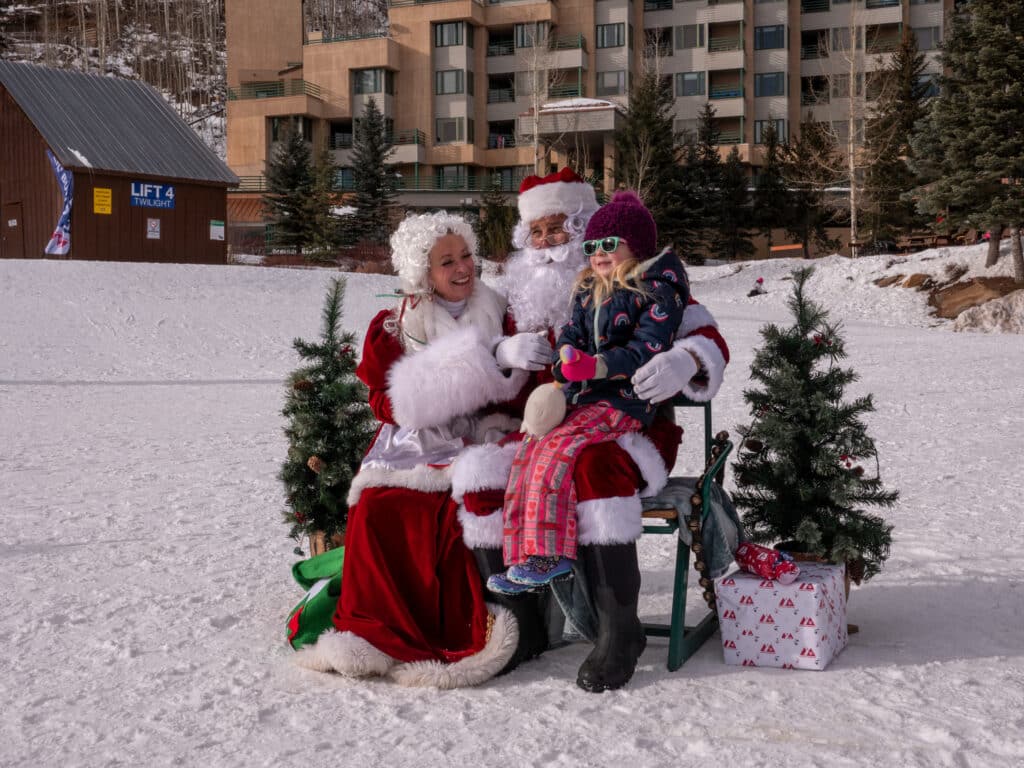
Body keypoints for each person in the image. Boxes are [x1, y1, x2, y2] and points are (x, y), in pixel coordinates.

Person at [451, 168, 731, 692]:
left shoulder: (645, 284)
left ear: (585, 230)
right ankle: (521, 626)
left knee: (593, 466)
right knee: (481, 471)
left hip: (633, 431)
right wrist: (501, 354)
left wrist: (687, 359)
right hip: (550, 428)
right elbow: (477, 372)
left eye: (559, 230)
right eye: (536, 234)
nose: (548, 245)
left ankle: (618, 630)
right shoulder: (519, 306)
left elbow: (708, 337)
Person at [293, 212, 527, 688]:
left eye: (466, 256)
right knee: (379, 505)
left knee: (452, 507)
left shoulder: (502, 311)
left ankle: (453, 630)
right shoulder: (395, 325)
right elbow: (382, 400)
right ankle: (374, 634)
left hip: (484, 434)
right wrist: (431, 395)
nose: (463, 268)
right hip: (416, 441)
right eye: (447, 262)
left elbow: (522, 391)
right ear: (422, 272)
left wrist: (505, 372)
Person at [487, 191, 689, 595]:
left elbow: (646, 347)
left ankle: (551, 554)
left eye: (609, 245)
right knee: (530, 450)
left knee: (558, 451)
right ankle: (524, 555)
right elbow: (573, 335)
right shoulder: (586, 289)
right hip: (581, 401)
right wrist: (566, 358)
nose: (598, 254)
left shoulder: (655, 290)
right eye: (592, 246)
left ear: (637, 247)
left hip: (624, 403)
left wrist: (597, 366)